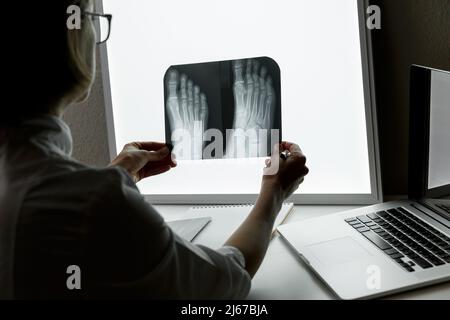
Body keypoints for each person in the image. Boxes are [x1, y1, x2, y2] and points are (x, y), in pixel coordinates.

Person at [0, 0, 308, 299]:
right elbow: (222, 282)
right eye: (92, 17)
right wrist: (274, 191)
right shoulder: (96, 203)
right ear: (70, 36)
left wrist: (113, 176)